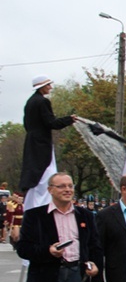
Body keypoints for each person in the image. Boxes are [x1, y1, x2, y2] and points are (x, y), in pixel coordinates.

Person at [20, 75, 77, 209]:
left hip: (31, 143)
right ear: (42, 87)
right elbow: (51, 122)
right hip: (42, 145)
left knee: (35, 175)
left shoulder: (30, 102)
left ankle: (31, 206)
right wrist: (69, 119)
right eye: (48, 85)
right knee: (46, 176)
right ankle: (44, 206)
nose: (50, 88)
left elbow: (27, 124)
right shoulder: (43, 102)